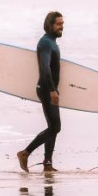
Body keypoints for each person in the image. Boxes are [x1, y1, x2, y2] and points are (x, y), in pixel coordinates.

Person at [17, 11, 63, 173]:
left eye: (62, 24)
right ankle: (25, 153)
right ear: (49, 25)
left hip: (50, 89)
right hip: (45, 89)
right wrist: (52, 90)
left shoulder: (52, 43)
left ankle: (48, 164)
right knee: (55, 127)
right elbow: (45, 69)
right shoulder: (45, 43)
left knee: (53, 126)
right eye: (58, 24)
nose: (61, 26)